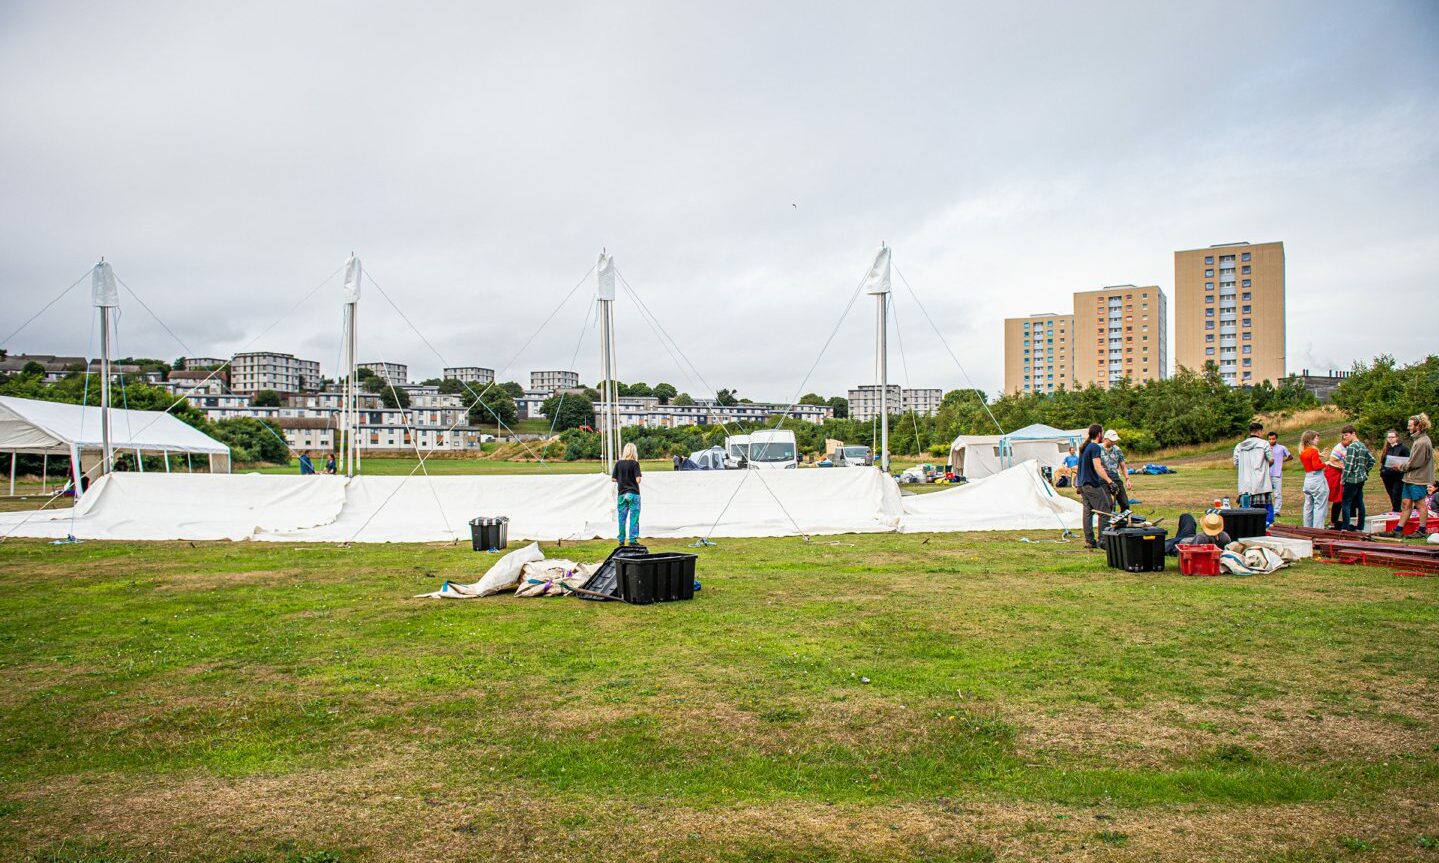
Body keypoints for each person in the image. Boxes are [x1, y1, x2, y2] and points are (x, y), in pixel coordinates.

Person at [1390, 413, 1433, 538]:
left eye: (1410, 425)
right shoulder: (1418, 440)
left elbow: (1416, 462)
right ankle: (1398, 530)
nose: (1408, 428)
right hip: (1410, 478)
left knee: (1420, 503)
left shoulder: (1422, 442)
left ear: (1418, 426)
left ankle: (1422, 530)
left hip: (1418, 479)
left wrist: (1400, 467)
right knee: (1406, 503)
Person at [1076, 423, 1114, 550]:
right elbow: (1098, 466)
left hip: (1082, 484)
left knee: (1088, 512)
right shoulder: (1094, 447)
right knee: (1105, 511)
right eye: (1102, 432)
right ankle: (1103, 540)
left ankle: (1090, 541)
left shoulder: (1084, 447)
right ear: (1099, 434)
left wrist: (1078, 484)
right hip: (1091, 485)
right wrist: (1109, 481)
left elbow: (1080, 467)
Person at [1233, 422, 1274, 524]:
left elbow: (1236, 463)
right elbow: (1271, 460)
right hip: (1261, 484)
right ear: (1259, 431)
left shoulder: (1239, 446)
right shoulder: (1264, 444)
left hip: (1245, 484)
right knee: (1263, 512)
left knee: (1246, 512)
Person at [1337, 424, 1374, 531]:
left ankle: (1345, 527)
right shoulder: (1362, 445)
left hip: (1352, 479)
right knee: (1359, 502)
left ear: (1353, 434)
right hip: (1361, 478)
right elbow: (1372, 460)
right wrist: (1364, 471)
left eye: (1346, 435)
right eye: (1343, 435)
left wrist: (1343, 479)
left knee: (1346, 503)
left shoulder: (1352, 447)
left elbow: (1349, 465)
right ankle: (1360, 526)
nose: (1345, 437)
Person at [612, 442, 643, 546]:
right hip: (633, 493)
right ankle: (632, 540)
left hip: (621, 494)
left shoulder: (618, 463)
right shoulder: (635, 464)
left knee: (622, 518)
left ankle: (621, 540)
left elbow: (613, 478)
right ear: (634, 452)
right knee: (634, 518)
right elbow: (638, 480)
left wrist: (622, 480)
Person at [1298, 430, 1328, 529]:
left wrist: (1319, 455)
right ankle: (1318, 529)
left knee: (1308, 505)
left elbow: (1309, 457)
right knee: (1320, 505)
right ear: (1310, 440)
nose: (1318, 440)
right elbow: (1316, 466)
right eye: (1316, 438)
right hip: (1317, 478)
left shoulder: (1302, 451)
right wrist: (1326, 463)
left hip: (1308, 478)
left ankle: (1307, 528)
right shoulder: (1313, 451)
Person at [1165, 511, 1232, 555]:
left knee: (1158, 544)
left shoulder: (1202, 537)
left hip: (1179, 544)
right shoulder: (1225, 536)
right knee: (1186, 516)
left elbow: (1193, 553)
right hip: (1190, 537)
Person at [1378, 428, 1411, 512]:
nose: (1390, 439)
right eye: (1389, 437)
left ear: (1397, 437)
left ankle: (1396, 511)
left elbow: (1408, 461)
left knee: (1396, 493)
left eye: (1392, 437)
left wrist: (1400, 467)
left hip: (1398, 475)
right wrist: (1382, 471)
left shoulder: (1403, 448)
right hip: (1387, 475)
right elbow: (1383, 461)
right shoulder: (1387, 448)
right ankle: (1395, 510)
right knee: (1391, 493)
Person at [1100, 430, 1130, 511]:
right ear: (1105, 439)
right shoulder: (1098, 449)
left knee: (1125, 504)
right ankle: (1107, 522)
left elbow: (1123, 466)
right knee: (1108, 505)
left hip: (1115, 476)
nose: (1114, 442)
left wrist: (1127, 479)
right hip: (1102, 478)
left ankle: (1122, 523)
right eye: (1112, 440)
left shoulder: (1117, 450)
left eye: (1115, 440)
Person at [1266, 432, 1290, 516]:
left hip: (1277, 473)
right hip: (1266, 474)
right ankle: (1267, 510)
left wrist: (1283, 461)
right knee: (1267, 493)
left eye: (1273, 439)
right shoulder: (1265, 447)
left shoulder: (1281, 448)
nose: (1271, 440)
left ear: (1276, 439)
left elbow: (1290, 456)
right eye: (1270, 439)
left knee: (1277, 493)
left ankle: (1276, 511)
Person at [1324, 438, 1346, 529]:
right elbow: (1332, 460)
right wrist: (1343, 467)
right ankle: (1332, 521)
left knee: (1340, 499)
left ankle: (1335, 520)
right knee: (1336, 497)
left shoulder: (1349, 447)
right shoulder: (1339, 448)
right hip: (1334, 474)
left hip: (1340, 474)